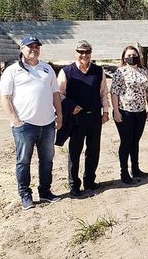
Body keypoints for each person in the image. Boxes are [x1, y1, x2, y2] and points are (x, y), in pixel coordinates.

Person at [0, 36, 63, 210]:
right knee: (23, 161)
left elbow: (55, 94)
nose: (34, 49)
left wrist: (59, 116)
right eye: (30, 46)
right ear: (21, 48)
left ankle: (45, 191)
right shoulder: (12, 71)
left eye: (37, 46)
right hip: (25, 125)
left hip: (47, 123)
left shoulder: (47, 69)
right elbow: (5, 97)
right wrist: (14, 120)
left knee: (47, 160)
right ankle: (25, 195)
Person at [56, 40, 110, 197]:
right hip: (76, 118)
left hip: (94, 117)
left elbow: (103, 93)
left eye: (87, 52)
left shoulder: (98, 71)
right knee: (75, 151)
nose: (84, 55)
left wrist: (105, 112)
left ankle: (90, 181)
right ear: (75, 52)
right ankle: (74, 185)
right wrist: (70, 105)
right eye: (81, 51)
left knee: (93, 150)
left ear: (91, 53)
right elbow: (59, 93)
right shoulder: (66, 72)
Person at [110, 46, 148, 184]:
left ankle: (136, 169)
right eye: (129, 55)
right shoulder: (120, 72)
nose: (132, 57)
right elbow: (114, 92)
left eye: (134, 54)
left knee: (135, 141)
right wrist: (116, 111)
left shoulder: (144, 72)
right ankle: (124, 172)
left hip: (140, 112)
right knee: (126, 142)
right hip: (125, 112)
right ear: (124, 57)